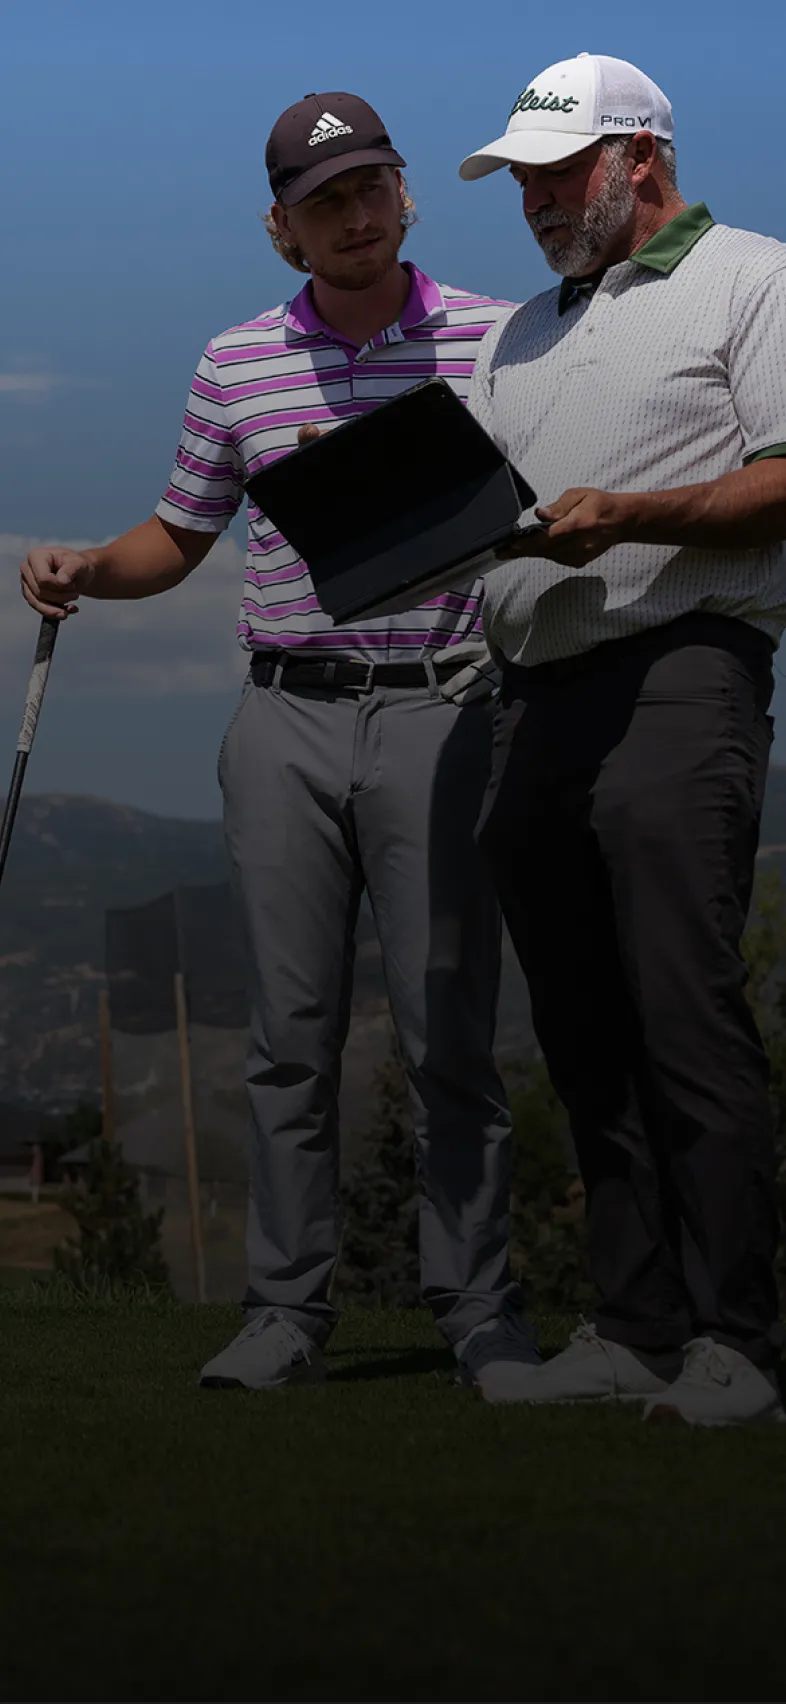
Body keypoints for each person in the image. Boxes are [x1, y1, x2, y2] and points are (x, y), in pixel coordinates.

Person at [21, 91, 539, 1399]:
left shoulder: (498, 340)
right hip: (283, 717)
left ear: (406, 194)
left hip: (444, 702)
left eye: (372, 188)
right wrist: (90, 565)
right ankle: (282, 1314)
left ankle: (479, 1314)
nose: (355, 217)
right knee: (288, 1032)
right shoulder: (234, 361)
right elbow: (179, 536)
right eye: (324, 203)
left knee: (445, 1027)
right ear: (281, 227)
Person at [458, 53, 786, 1424]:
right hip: (534, 693)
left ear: (636, 157)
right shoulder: (515, 330)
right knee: (582, 1019)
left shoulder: (754, 277)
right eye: (519, 178)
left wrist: (627, 514)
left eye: (555, 172)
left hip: (682, 666)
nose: (532, 200)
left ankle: (739, 1344)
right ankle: (635, 1325)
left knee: (678, 1003)